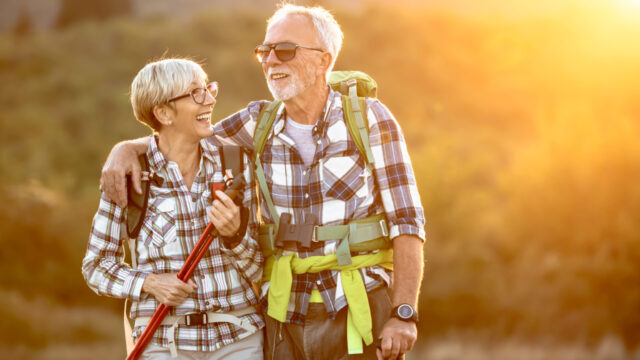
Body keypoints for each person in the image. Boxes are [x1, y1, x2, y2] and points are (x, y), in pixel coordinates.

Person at [100, 4, 425, 360]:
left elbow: (407, 222)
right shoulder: (257, 123)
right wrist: (124, 148)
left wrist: (403, 313)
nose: (271, 61)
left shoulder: (370, 119)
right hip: (283, 315)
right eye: (264, 51)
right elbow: (181, 137)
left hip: (360, 307)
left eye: (284, 50)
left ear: (323, 60)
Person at [82, 58, 264, 359]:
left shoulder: (235, 164)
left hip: (239, 337)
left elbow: (258, 267)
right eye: (195, 93)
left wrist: (236, 235)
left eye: (208, 88)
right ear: (164, 112)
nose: (210, 99)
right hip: (163, 342)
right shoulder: (127, 176)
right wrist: (150, 283)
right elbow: (96, 267)